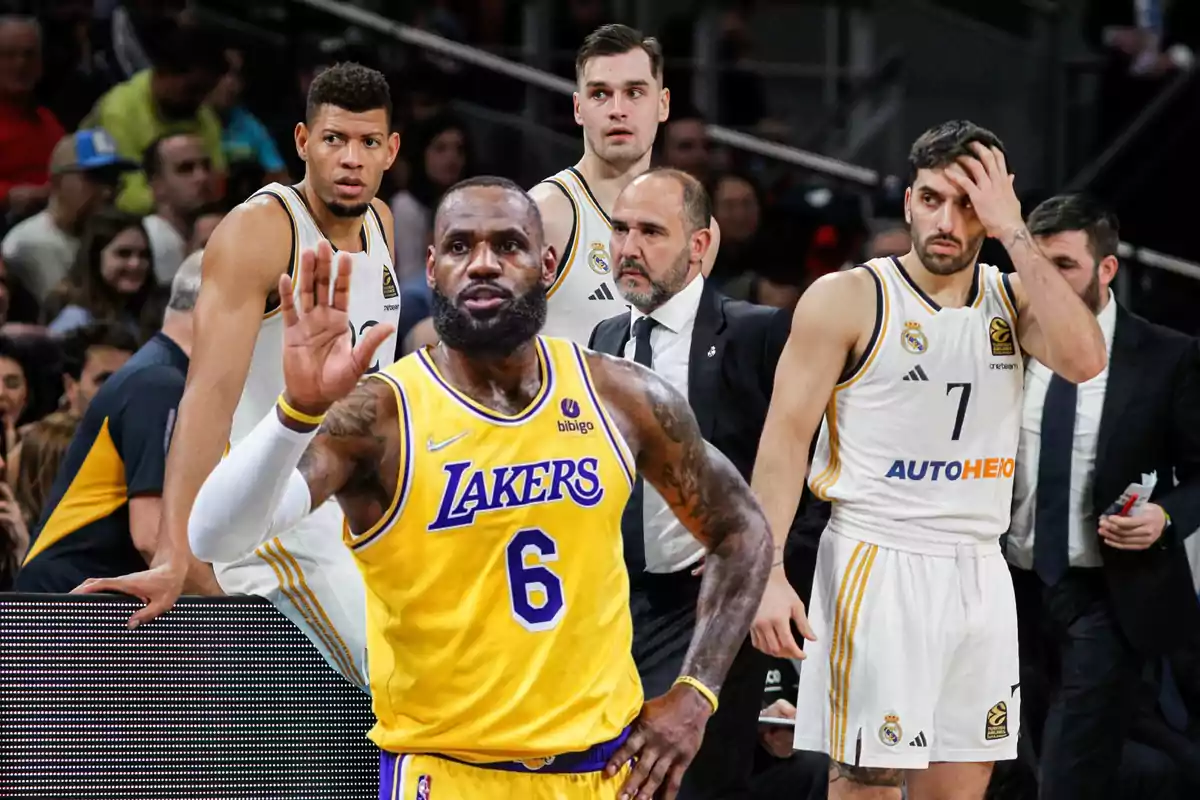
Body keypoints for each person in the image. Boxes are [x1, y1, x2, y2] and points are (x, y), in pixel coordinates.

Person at [187, 175, 773, 800]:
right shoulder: (380, 417)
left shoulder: (621, 396)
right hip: (449, 773)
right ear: (433, 268)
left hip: (603, 773)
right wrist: (295, 413)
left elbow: (743, 530)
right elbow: (215, 535)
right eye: (461, 246)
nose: (484, 263)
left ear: (547, 264)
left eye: (509, 245)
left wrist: (696, 695)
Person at [749, 120, 1109, 798]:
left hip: (978, 563)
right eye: (933, 199)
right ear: (910, 200)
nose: (947, 220)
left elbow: (1087, 359)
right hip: (878, 557)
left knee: (963, 781)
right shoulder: (849, 296)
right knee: (870, 780)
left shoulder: (1012, 295)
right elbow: (784, 440)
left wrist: (1016, 234)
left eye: (968, 204)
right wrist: (766, 571)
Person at [72, 63, 401, 692]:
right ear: (303, 142)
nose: (350, 159)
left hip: (357, 499)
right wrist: (176, 552)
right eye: (334, 140)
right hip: (274, 511)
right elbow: (206, 395)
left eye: (366, 143)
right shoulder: (260, 231)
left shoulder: (382, 223)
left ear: (391, 150)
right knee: (391, 674)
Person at [589, 167, 790, 799]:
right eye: (620, 230)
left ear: (700, 246)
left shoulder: (756, 333)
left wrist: (766, 567)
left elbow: (805, 471)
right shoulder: (603, 338)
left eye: (651, 232)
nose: (629, 248)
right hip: (618, 605)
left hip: (710, 607)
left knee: (695, 785)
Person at [1005, 194, 1200, 799]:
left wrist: (1165, 516)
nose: (1044, 281)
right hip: (1005, 588)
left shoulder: (1167, 356)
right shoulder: (998, 344)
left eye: (1062, 265)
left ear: (1105, 270)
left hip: (1108, 595)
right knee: (1008, 767)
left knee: (1068, 773)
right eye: (1034, 264)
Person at [14, 250, 200, 594]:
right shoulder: (159, 383)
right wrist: (234, 601)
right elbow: (151, 537)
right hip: (69, 600)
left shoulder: (159, 374)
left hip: (92, 595)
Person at [531, 23, 720, 344]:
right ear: (579, 108)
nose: (618, 110)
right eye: (600, 94)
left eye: (634, 93)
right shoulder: (543, 214)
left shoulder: (701, 231)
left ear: (663, 104)